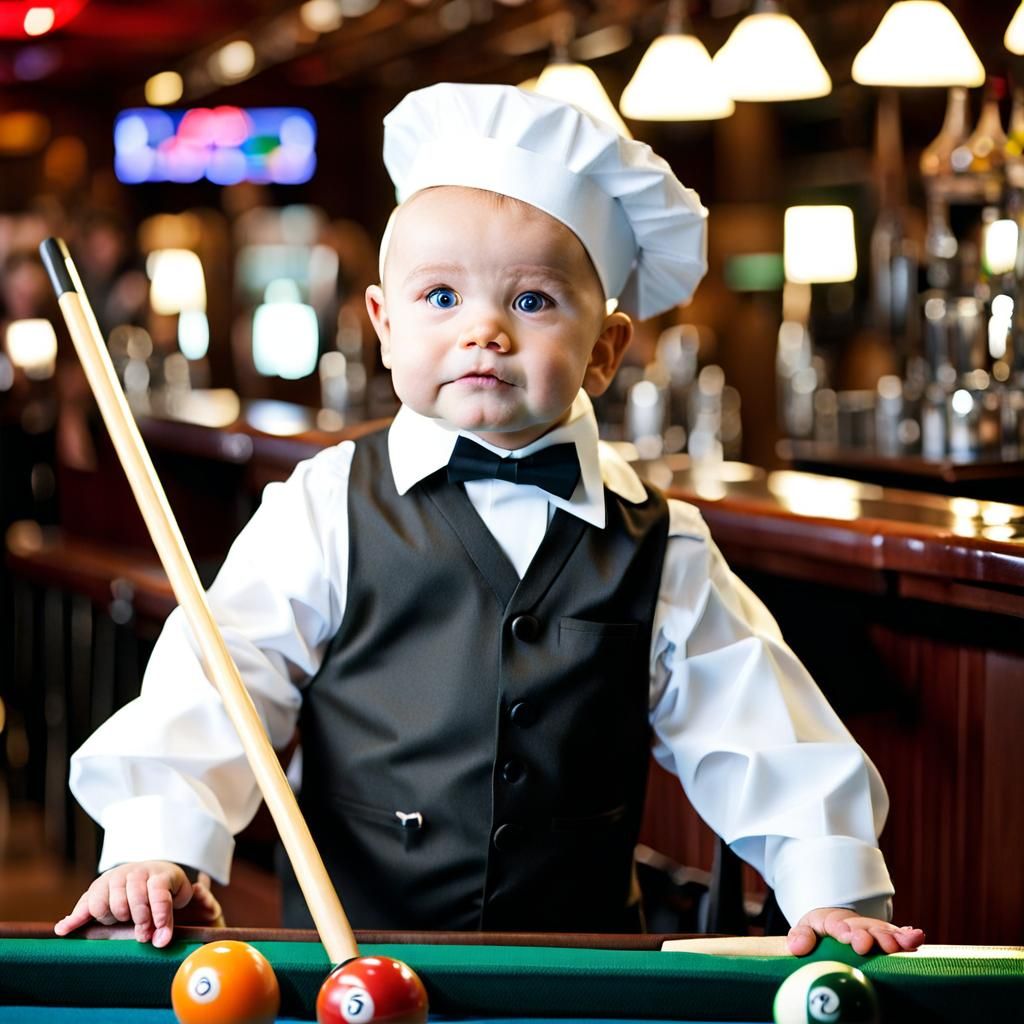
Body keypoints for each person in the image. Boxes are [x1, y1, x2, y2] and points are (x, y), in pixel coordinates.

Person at [56, 83, 924, 959]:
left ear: (605, 351)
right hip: (356, 974)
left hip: (587, 985)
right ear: (382, 324)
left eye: (533, 301)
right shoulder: (325, 503)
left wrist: (830, 889)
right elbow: (221, 684)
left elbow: (762, 732)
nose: (484, 331)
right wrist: (159, 844)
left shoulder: (663, 543)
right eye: (440, 297)